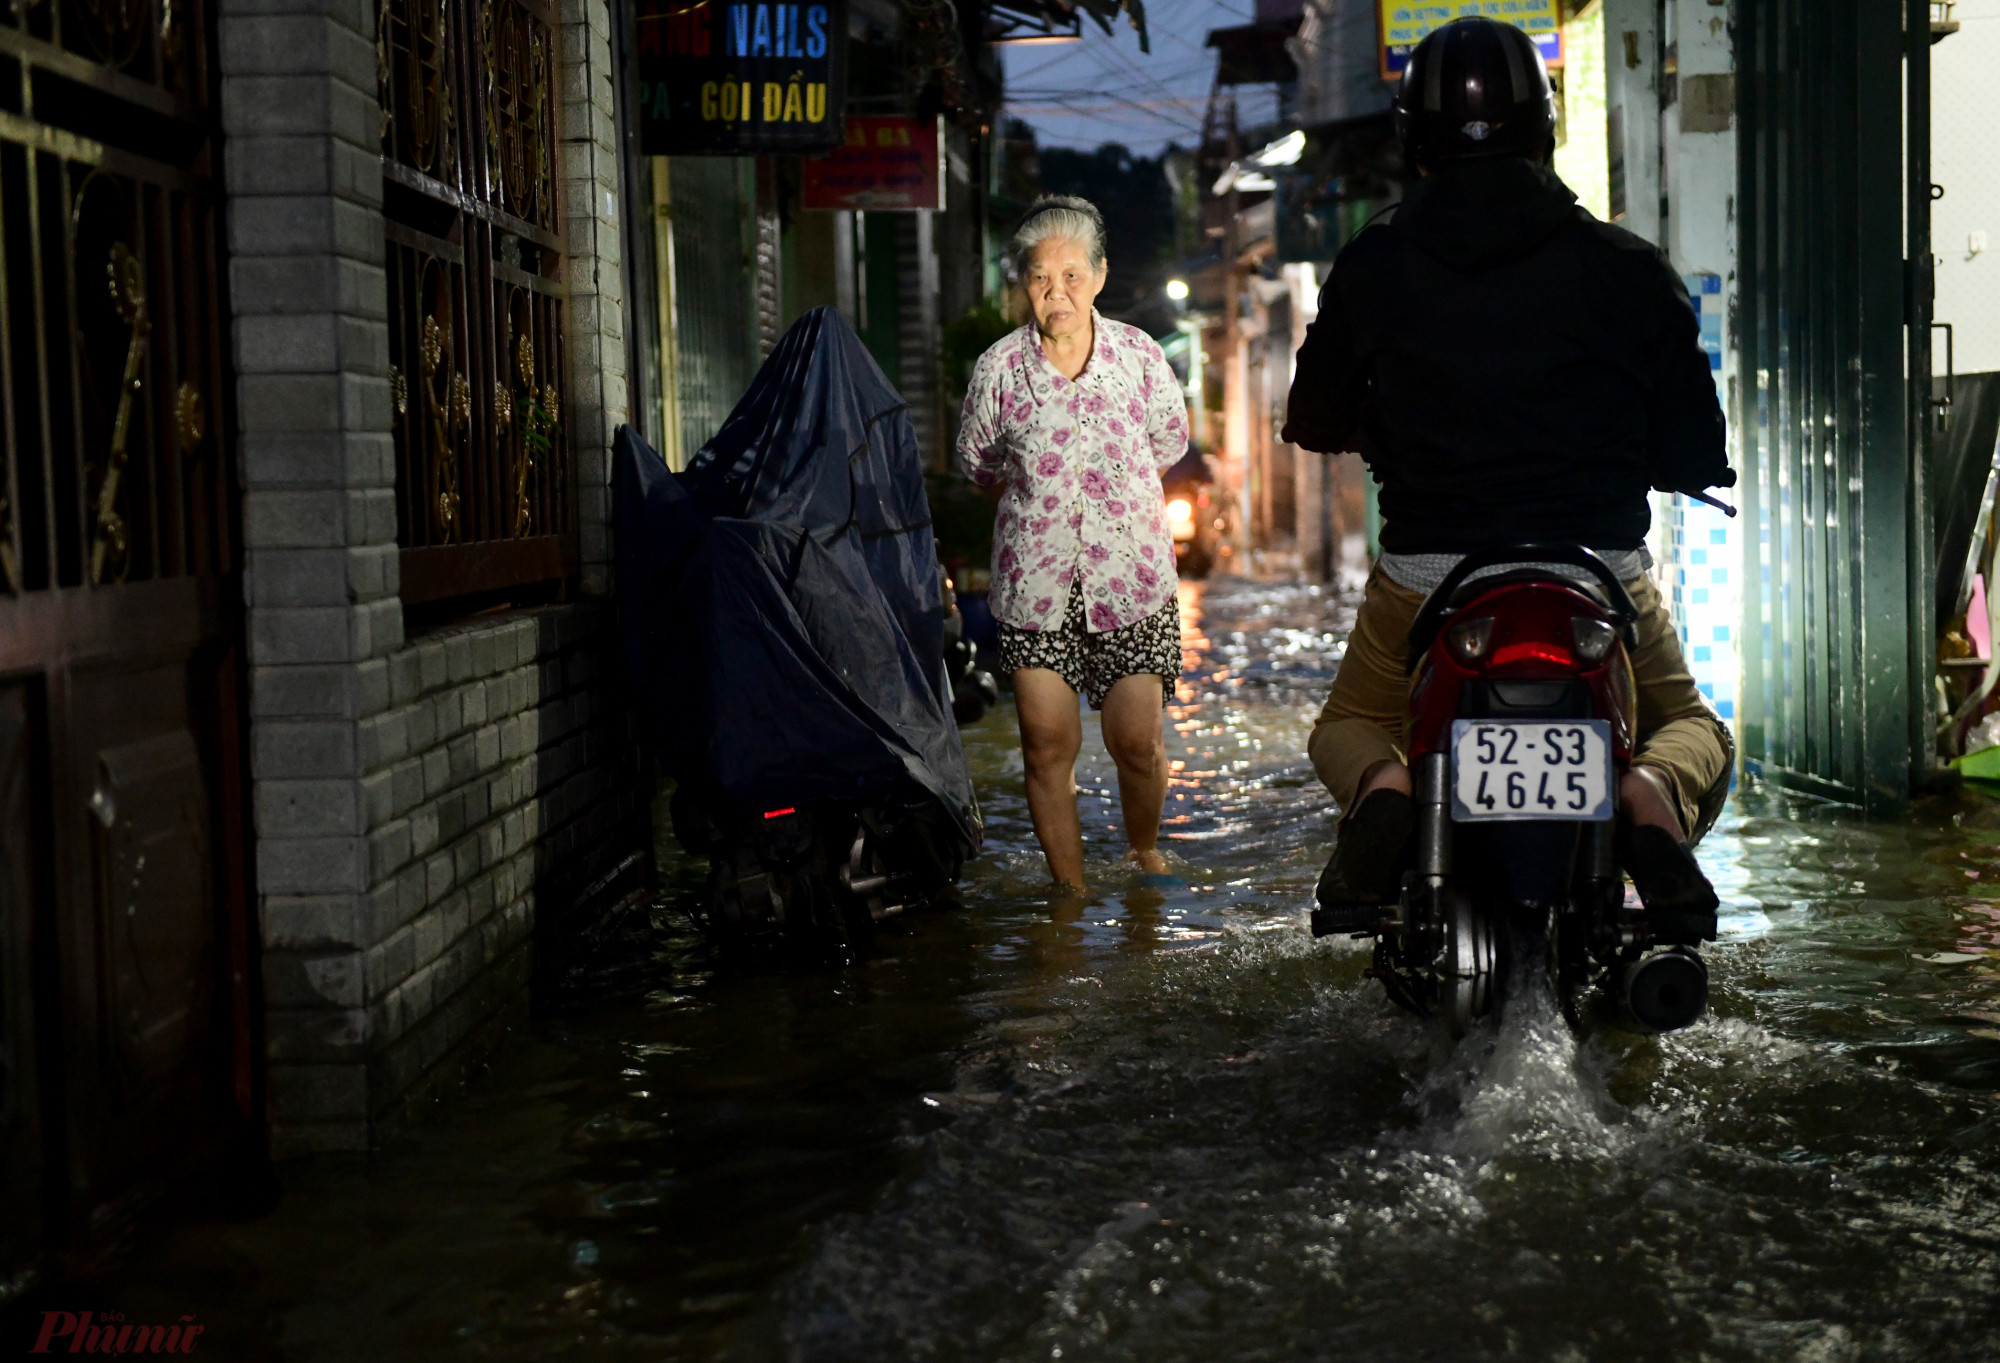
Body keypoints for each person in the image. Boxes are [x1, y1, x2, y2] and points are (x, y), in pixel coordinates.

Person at [1284, 17, 1734, 937]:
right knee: (1693, 725)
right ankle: (1647, 795)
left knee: (1348, 726)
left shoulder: (1375, 260)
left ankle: (1391, 787)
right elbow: (1696, 447)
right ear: (1546, 128)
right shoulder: (1627, 266)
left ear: (1413, 139)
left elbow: (1313, 416)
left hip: (1428, 575)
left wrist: (1381, 429)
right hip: (1596, 569)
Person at [957, 195, 1190, 891]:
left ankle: (1143, 853)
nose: (1055, 293)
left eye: (1071, 276)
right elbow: (978, 462)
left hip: (1133, 580)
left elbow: (1168, 442)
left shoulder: (1139, 357)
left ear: (1100, 275)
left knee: (1137, 745)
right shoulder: (999, 370)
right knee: (1045, 748)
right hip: (1038, 586)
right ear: (1022, 282)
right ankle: (1071, 898)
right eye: (1039, 278)